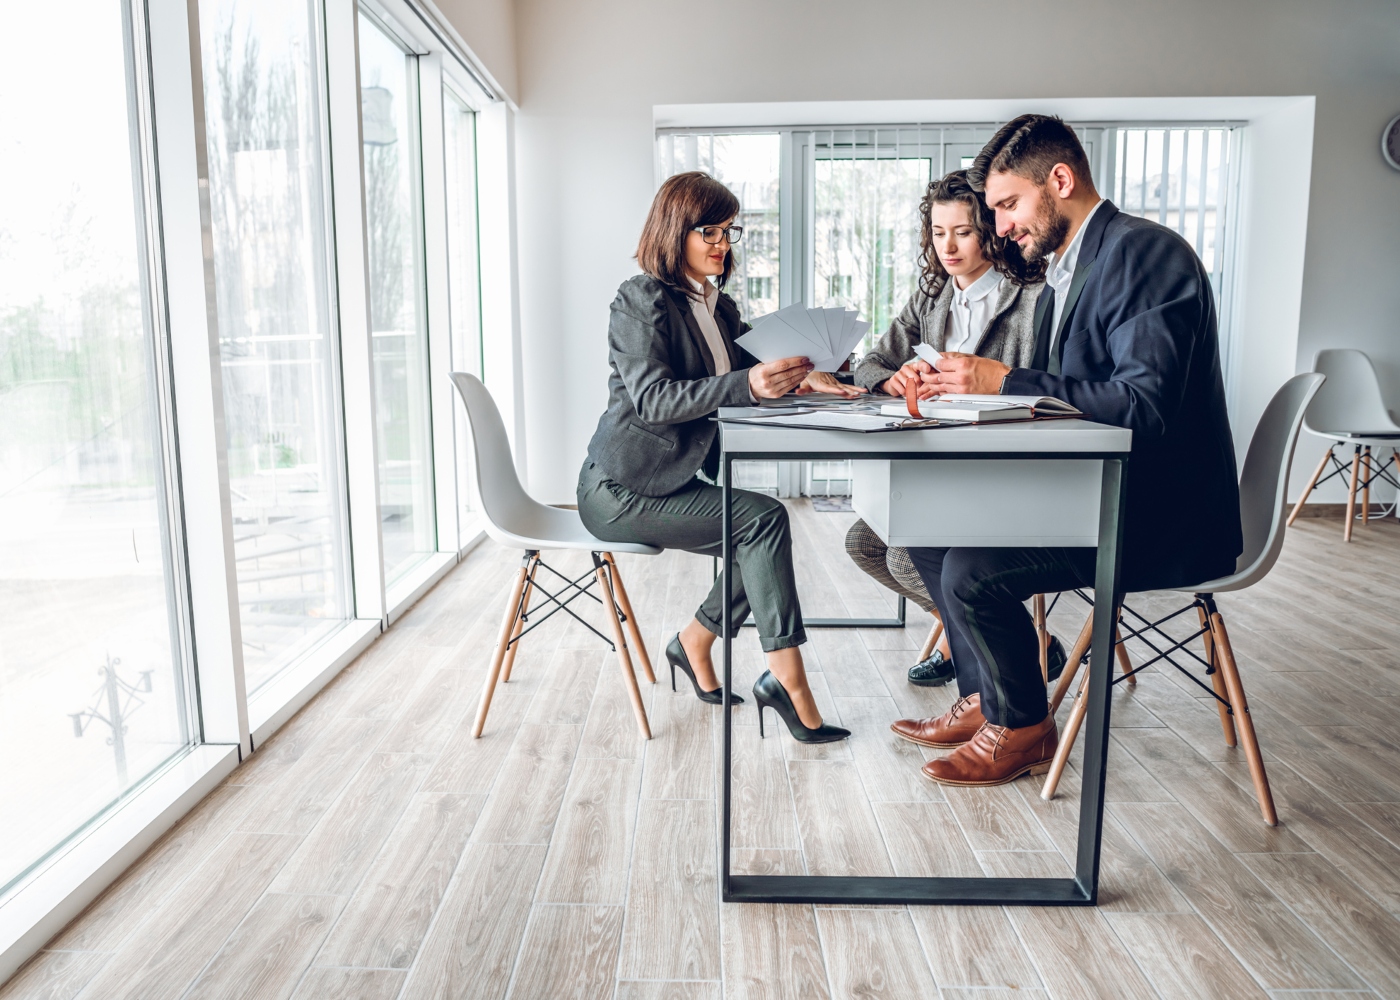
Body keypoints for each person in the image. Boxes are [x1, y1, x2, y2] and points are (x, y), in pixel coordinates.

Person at [891, 115, 1242, 786]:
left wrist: (1005, 381)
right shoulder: (1075, 267)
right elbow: (1077, 397)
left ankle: (1023, 729)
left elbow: (1144, 406)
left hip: (1157, 516)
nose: (998, 228)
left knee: (971, 569)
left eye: (1007, 205)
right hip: (1097, 491)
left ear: (1060, 180)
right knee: (928, 532)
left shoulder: (1144, 255)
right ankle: (990, 700)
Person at [577, 171, 854, 744]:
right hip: (621, 487)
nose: (722, 243)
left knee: (758, 530)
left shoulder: (717, 307)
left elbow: (760, 360)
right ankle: (789, 684)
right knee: (762, 522)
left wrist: (811, 375)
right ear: (675, 228)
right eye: (710, 230)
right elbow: (654, 401)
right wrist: (749, 383)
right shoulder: (640, 299)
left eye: (729, 231)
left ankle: (696, 643)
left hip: (670, 479)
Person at [808, 171, 1051, 688]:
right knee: (864, 543)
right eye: (938, 233)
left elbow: (1042, 386)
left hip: (998, 469)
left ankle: (985, 643)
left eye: (962, 231)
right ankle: (978, 630)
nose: (949, 246)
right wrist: (895, 380)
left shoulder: (1030, 298)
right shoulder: (934, 296)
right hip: (943, 464)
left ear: (989, 229)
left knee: (901, 550)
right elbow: (873, 362)